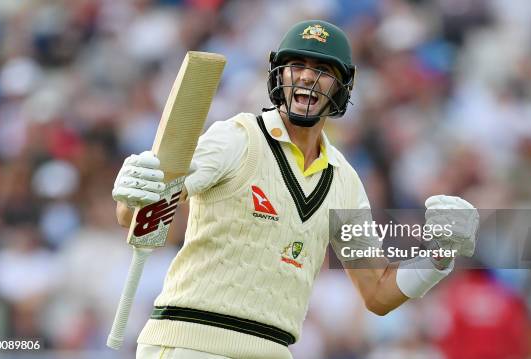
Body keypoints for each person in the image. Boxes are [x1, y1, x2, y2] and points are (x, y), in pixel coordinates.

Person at [112, 20, 479, 359]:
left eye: (322, 70)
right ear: (278, 74)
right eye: (297, 66)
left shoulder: (345, 181)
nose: (306, 77)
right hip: (192, 342)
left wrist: (438, 257)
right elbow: (148, 213)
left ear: (342, 86)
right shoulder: (237, 138)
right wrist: (134, 196)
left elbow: (377, 293)